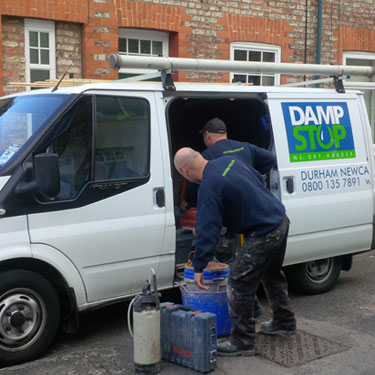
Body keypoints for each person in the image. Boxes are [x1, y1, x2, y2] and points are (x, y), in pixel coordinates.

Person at [174, 147, 296, 357]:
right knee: (271, 274)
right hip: (280, 220)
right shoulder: (228, 161)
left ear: (185, 170)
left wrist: (199, 265)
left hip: (264, 232)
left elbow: (208, 228)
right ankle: (284, 322)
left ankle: (243, 340)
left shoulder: (209, 187)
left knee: (238, 284)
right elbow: (256, 178)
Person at [185, 117, 274, 318]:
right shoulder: (243, 147)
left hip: (230, 217)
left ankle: (247, 316)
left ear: (207, 135)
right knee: (259, 268)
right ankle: (259, 310)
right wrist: (254, 176)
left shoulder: (207, 157)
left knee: (229, 264)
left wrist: (200, 261)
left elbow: (194, 195)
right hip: (251, 211)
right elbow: (270, 159)